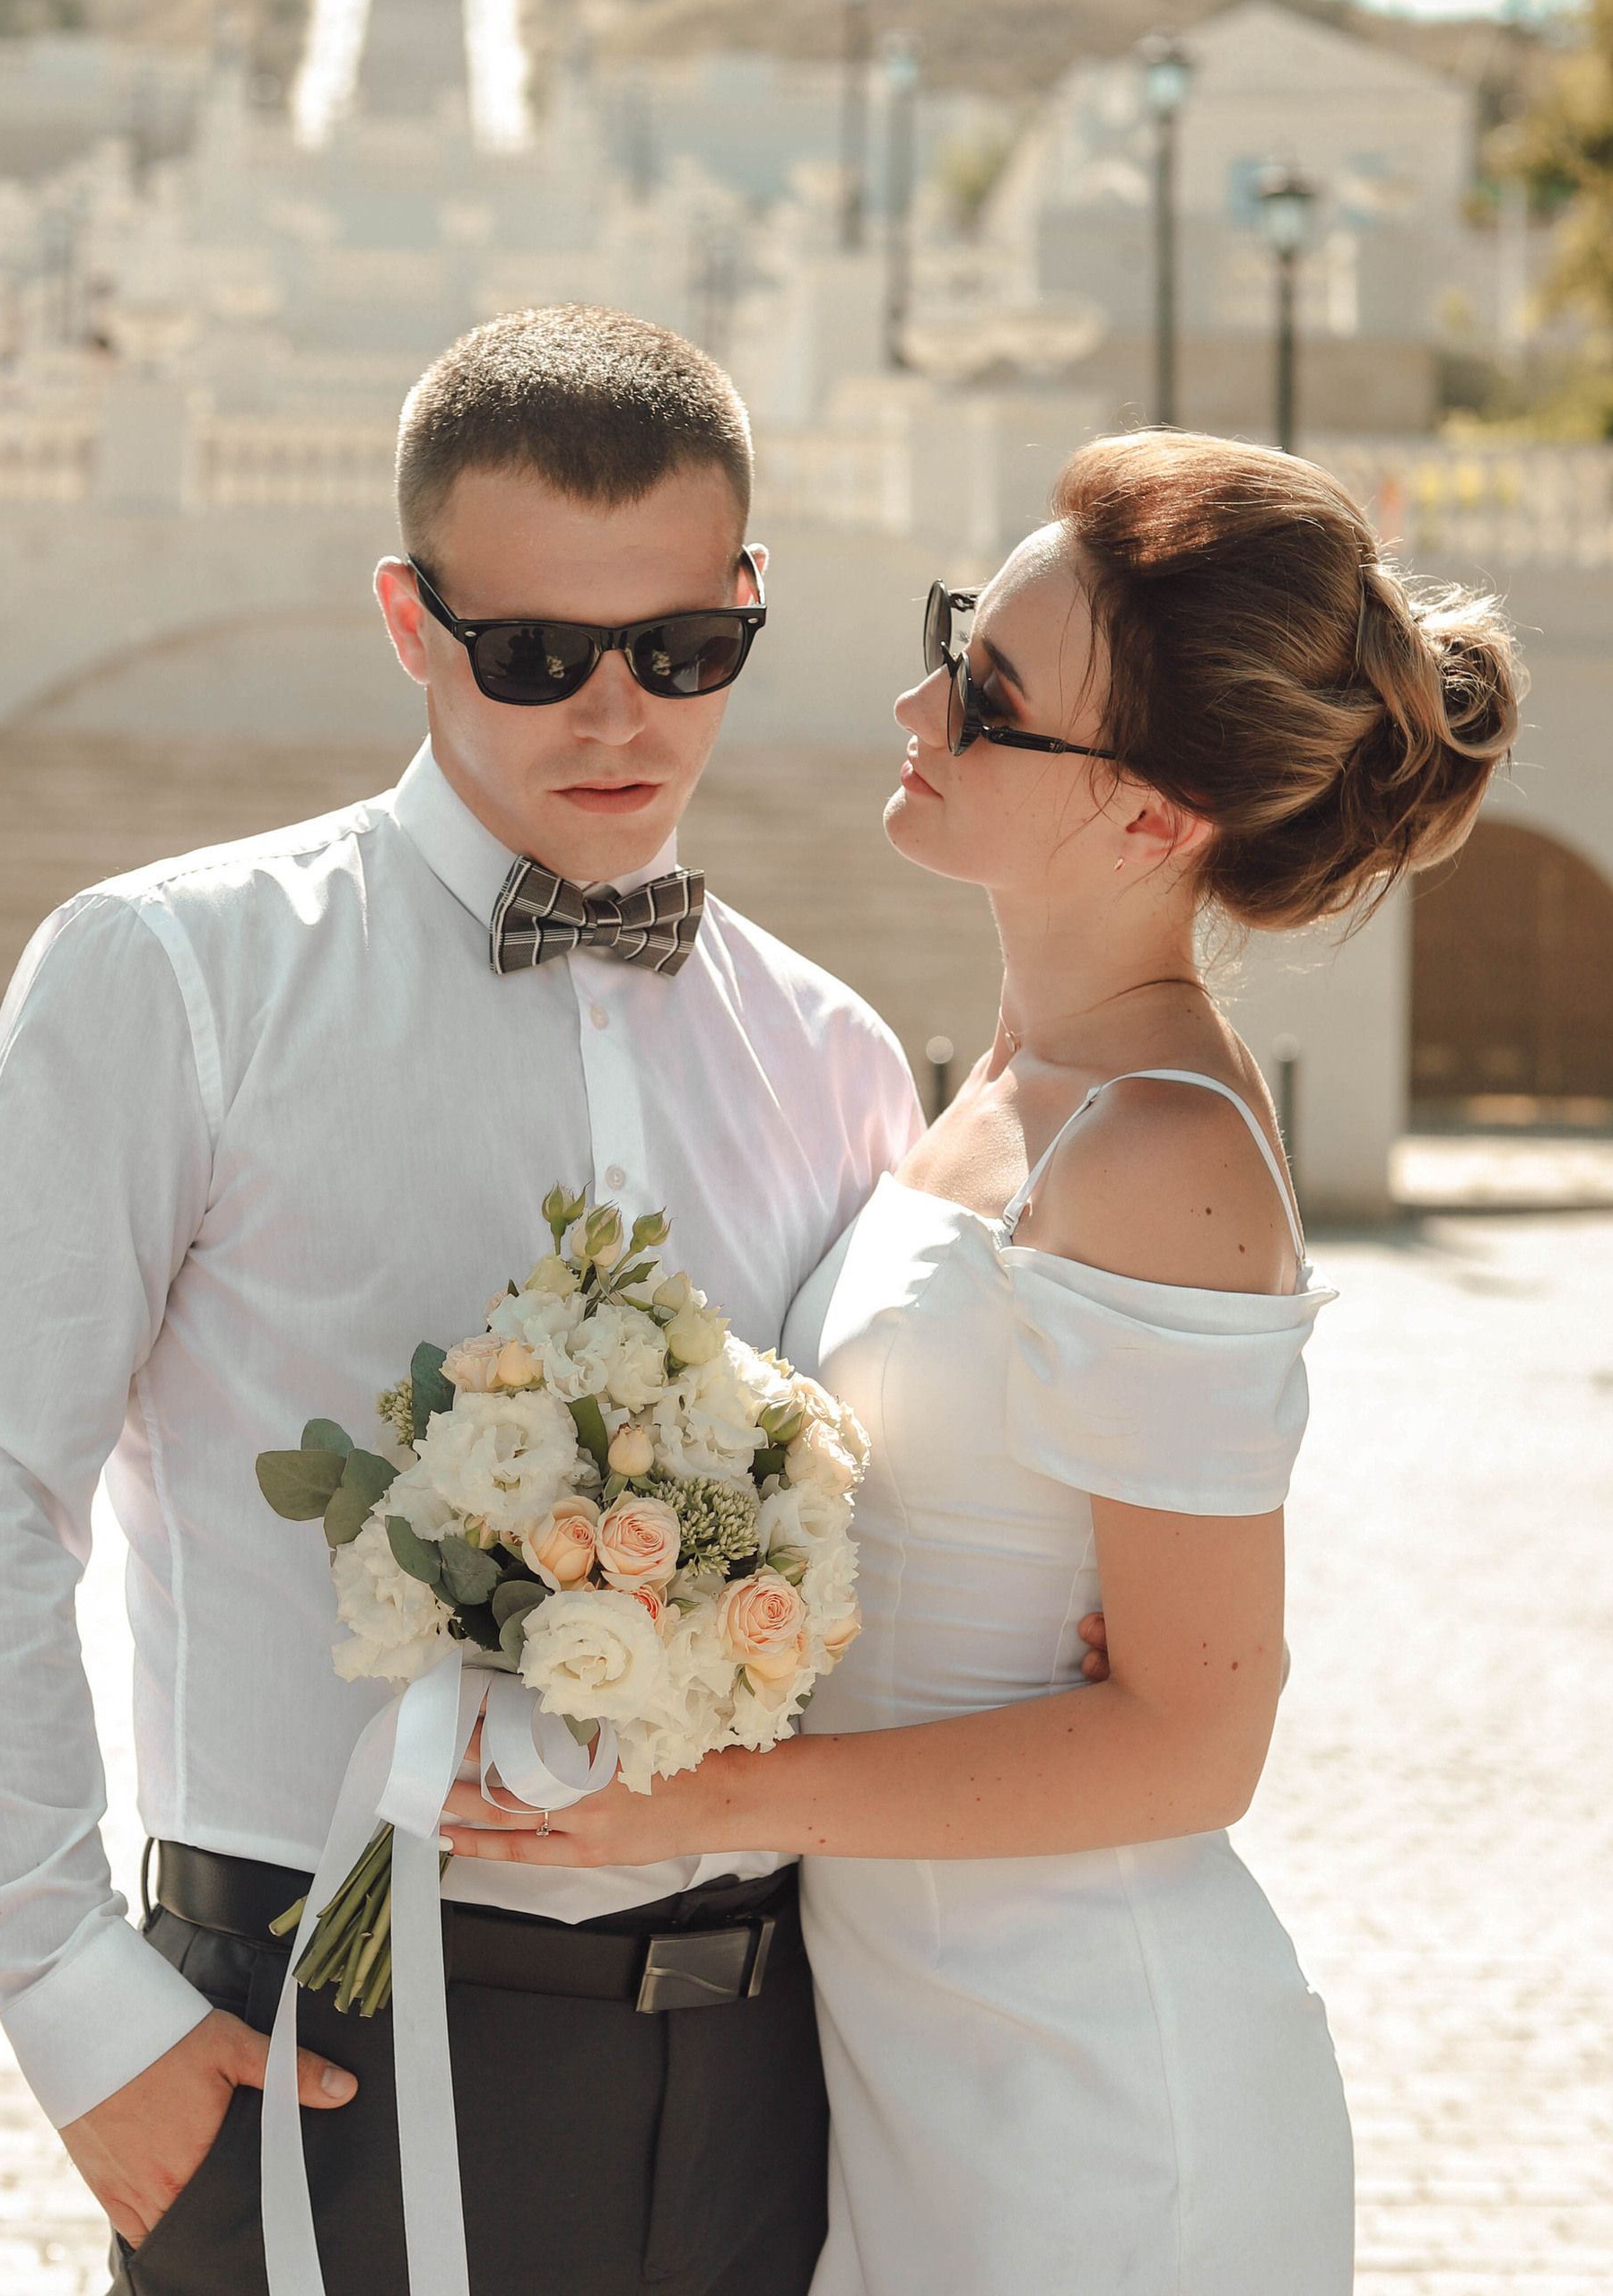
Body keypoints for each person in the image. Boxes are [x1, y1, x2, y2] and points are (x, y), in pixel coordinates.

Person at [0, 304, 955, 2296]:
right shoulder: (174, 975)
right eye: (533, 654)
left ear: (747, 605)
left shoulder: (836, 1055)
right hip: (312, 2043)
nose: (613, 717)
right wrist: (68, 1996)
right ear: (406, 619)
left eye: (680, 652)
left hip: (762, 2082)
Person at [439, 430, 1524, 2295]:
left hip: (1089, 2088)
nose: (915, 704)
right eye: (956, 640)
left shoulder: (1160, 1147)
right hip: (906, 2051)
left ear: (1153, 818)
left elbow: (1195, 1737)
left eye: (991, 695)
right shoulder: (1000, 1088)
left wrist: (700, 1805)